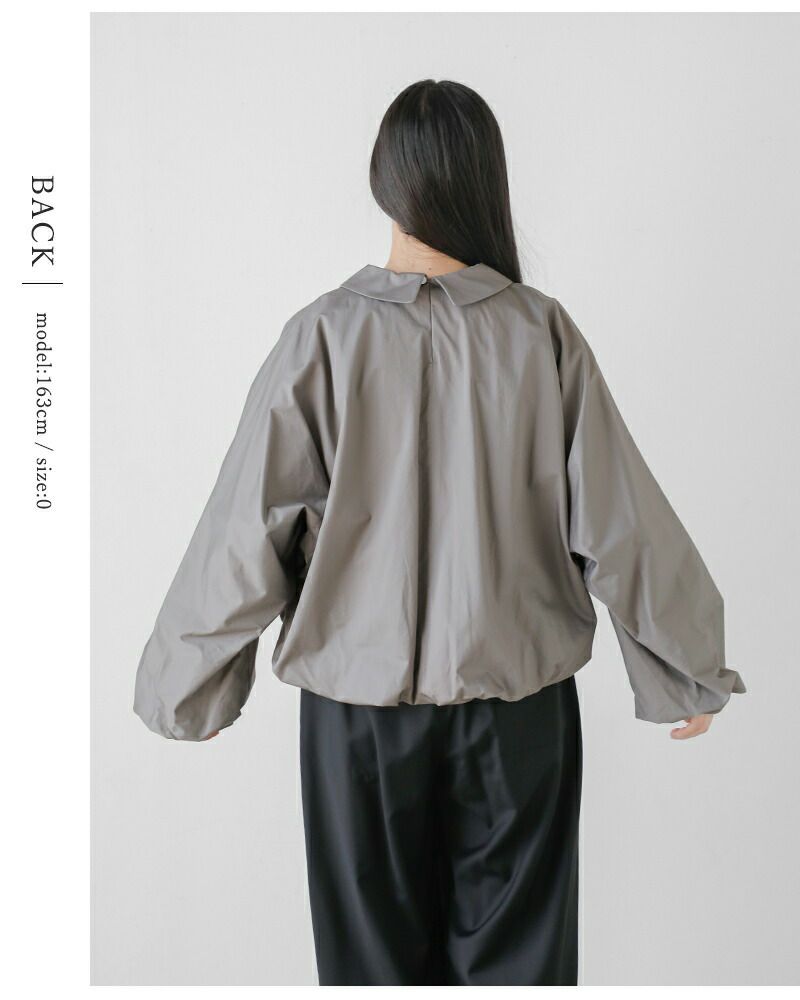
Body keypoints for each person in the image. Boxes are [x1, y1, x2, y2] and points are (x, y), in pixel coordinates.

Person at [133, 79, 746, 986]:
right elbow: (620, 520)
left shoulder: (322, 337)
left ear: (384, 180)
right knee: (519, 972)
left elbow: (246, 526)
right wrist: (689, 662)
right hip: (518, 721)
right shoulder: (539, 334)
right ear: (484, 179)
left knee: (371, 975)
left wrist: (187, 687)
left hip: (356, 731)